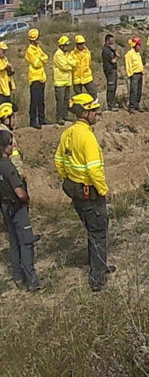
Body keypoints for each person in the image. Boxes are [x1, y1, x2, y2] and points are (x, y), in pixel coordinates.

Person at [54, 94, 114, 291]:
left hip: (76, 192)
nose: (96, 113)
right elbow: (94, 169)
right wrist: (104, 190)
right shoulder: (87, 137)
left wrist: (68, 178)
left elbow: (59, 161)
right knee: (98, 233)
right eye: (93, 110)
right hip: (90, 193)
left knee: (92, 230)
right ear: (85, 112)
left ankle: (99, 265)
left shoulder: (68, 134)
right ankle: (97, 278)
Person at [0, 130, 40, 291]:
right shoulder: (8, 166)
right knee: (26, 242)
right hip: (17, 208)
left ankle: (18, 277)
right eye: (11, 143)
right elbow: (19, 192)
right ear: (4, 147)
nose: (13, 145)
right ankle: (32, 282)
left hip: (5, 207)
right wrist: (27, 199)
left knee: (14, 242)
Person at [25, 29, 49, 129]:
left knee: (41, 100)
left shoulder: (38, 48)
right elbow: (37, 64)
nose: (39, 39)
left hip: (41, 77)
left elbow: (46, 58)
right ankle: (33, 120)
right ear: (34, 38)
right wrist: (42, 59)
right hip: (34, 78)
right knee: (34, 101)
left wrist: (42, 59)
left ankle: (42, 119)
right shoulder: (30, 51)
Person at [53, 36, 74, 125]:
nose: (67, 47)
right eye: (65, 45)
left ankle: (65, 116)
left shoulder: (66, 54)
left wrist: (71, 65)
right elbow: (64, 67)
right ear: (61, 46)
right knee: (60, 101)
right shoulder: (58, 55)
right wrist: (71, 67)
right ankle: (59, 118)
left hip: (67, 81)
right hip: (60, 82)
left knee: (66, 100)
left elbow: (73, 62)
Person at [125, 37, 144, 113]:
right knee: (133, 91)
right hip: (134, 74)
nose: (139, 47)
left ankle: (137, 104)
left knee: (139, 91)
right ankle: (132, 106)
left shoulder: (138, 54)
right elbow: (128, 65)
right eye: (138, 45)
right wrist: (130, 74)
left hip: (140, 73)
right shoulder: (129, 54)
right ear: (135, 45)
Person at [101, 34, 119, 111]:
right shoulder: (106, 50)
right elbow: (113, 60)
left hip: (113, 70)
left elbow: (118, 55)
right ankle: (110, 106)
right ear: (107, 41)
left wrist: (115, 51)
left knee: (114, 87)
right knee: (111, 88)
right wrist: (116, 56)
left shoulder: (111, 49)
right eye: (111, 41)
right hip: (109, 70)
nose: (112, 43)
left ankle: (113, 103)